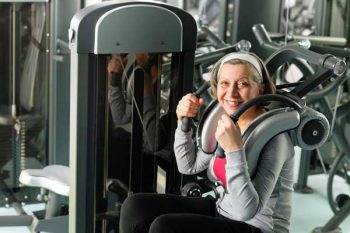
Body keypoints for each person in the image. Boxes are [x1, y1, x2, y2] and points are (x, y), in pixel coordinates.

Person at [119, 52, 295, 233]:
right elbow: (188, 166)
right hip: (222, 211)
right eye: (225, 83)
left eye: (242, 84)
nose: (231, 92)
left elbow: (246, 211)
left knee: (165, 228)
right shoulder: (225, 121)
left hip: (258, 227)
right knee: (135, 207)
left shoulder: (274, 137)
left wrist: (234, 150)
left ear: (260, 89)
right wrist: (183, 123)